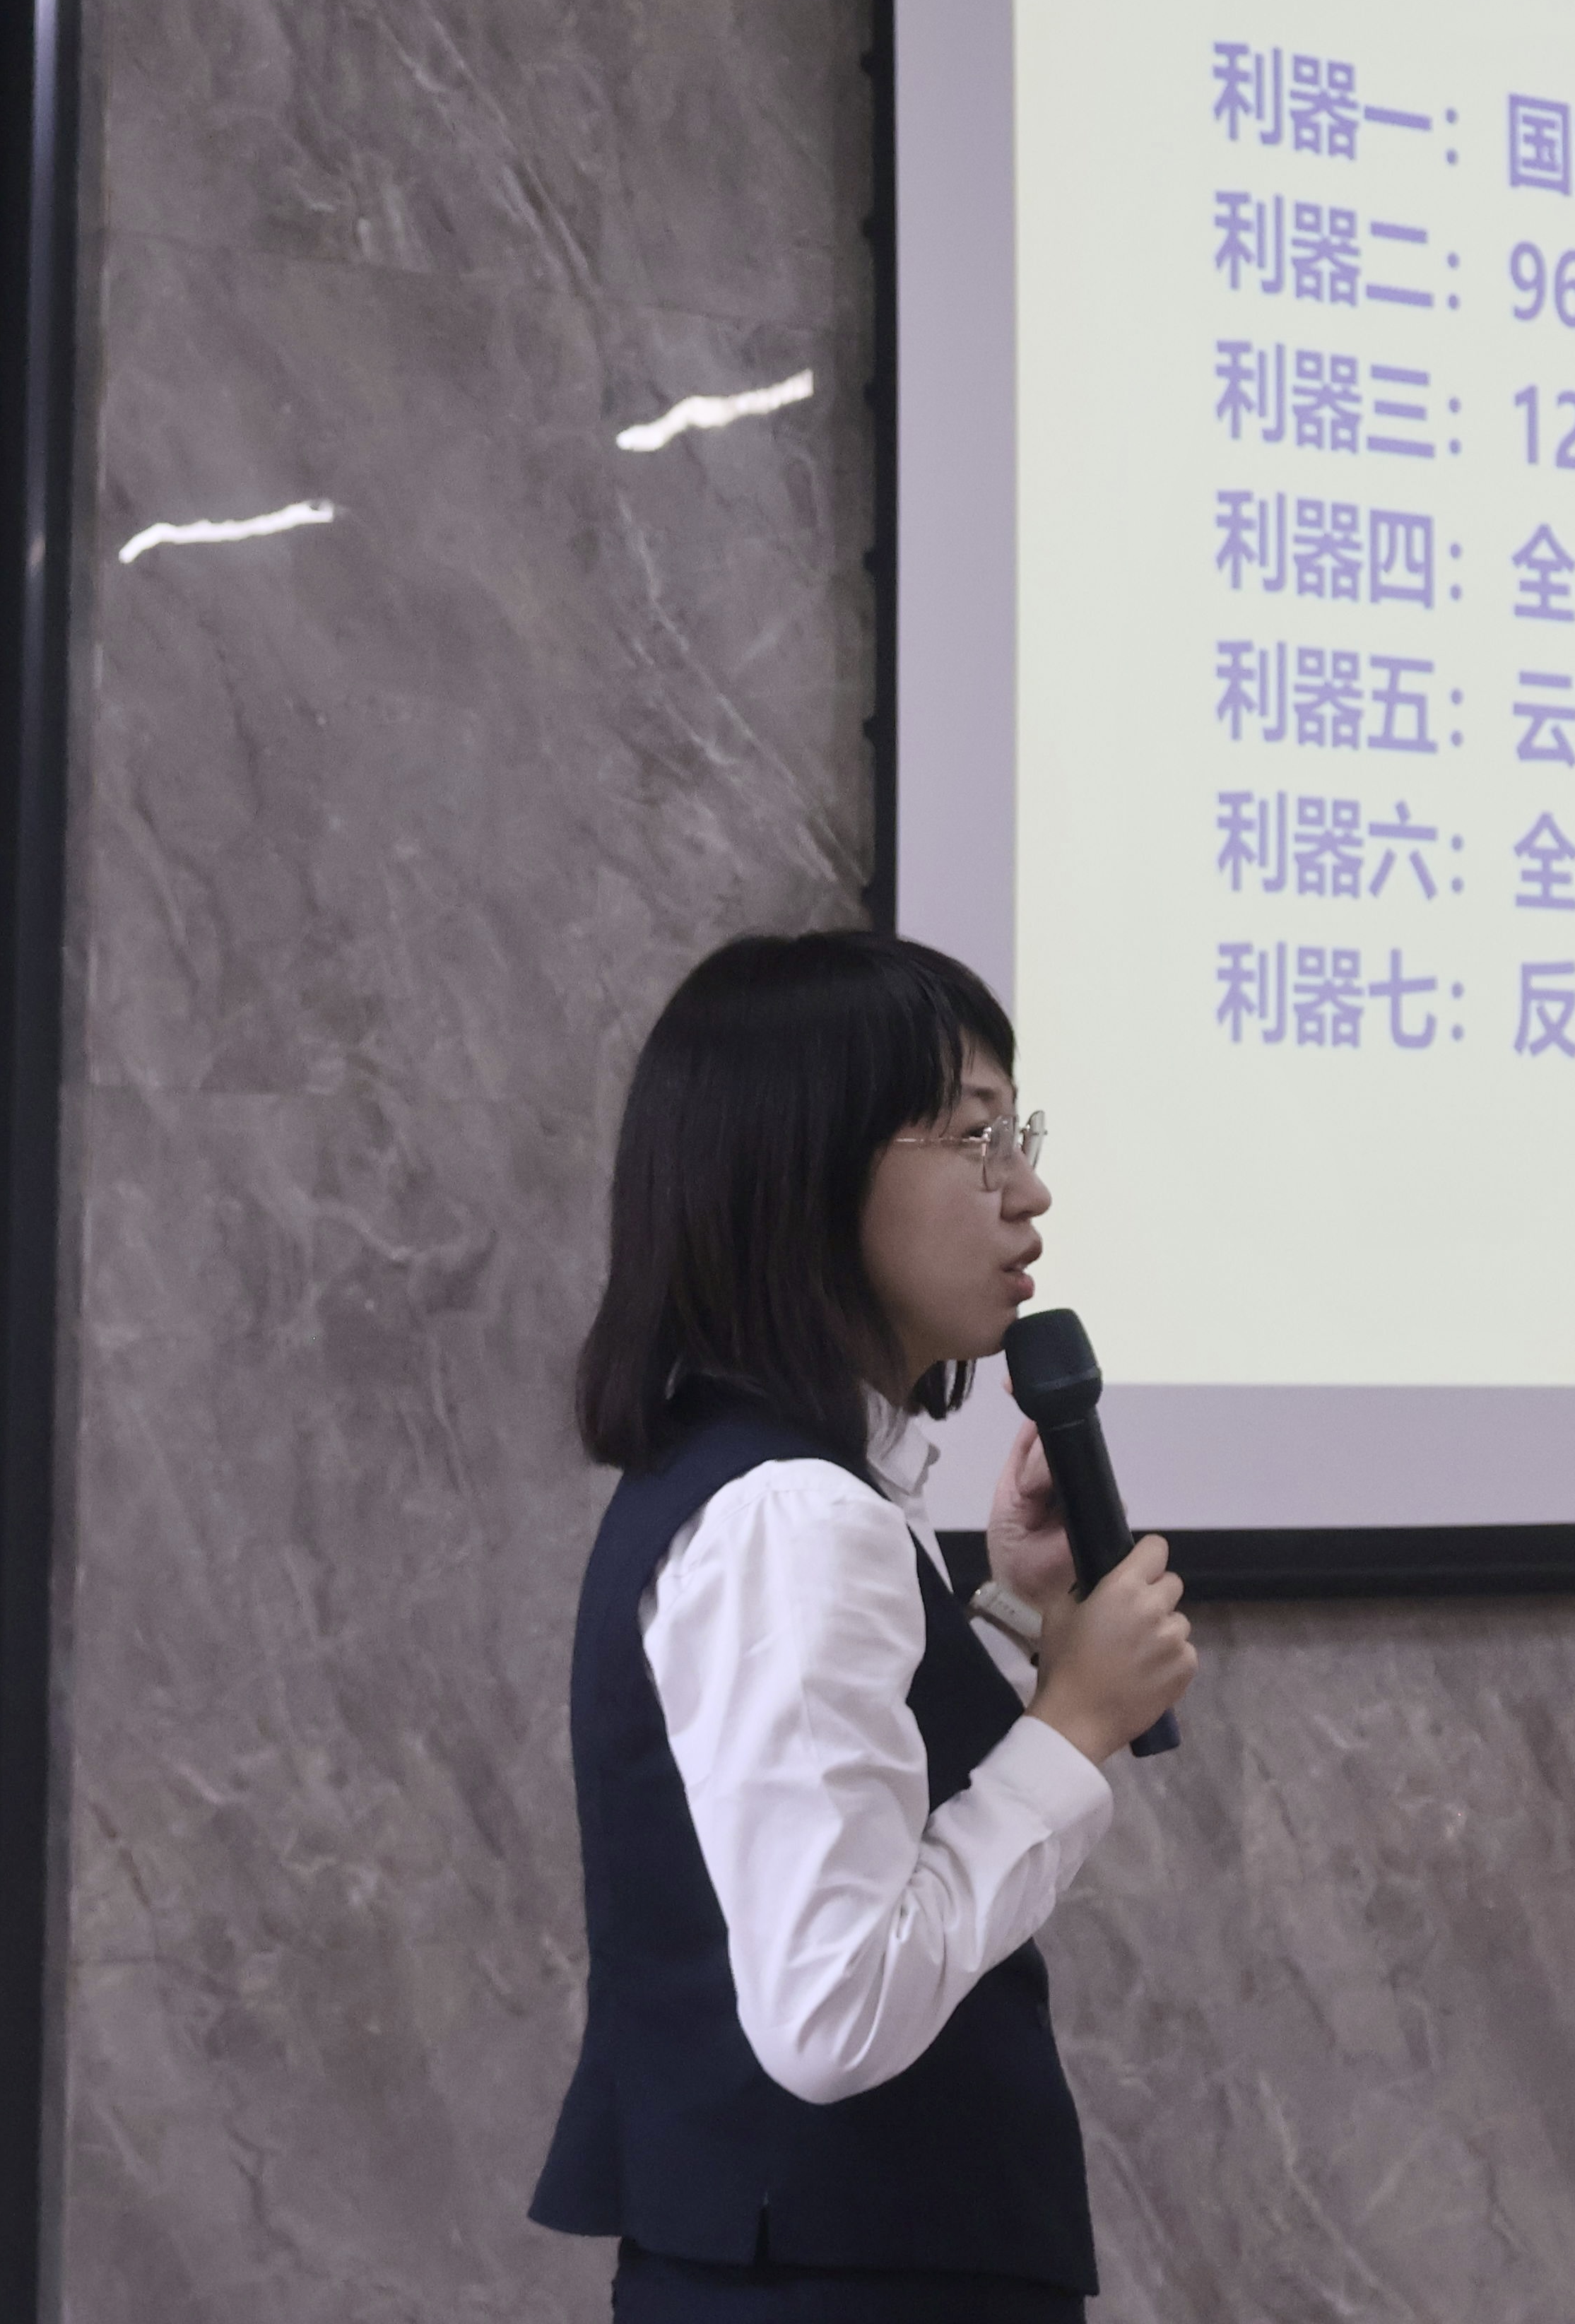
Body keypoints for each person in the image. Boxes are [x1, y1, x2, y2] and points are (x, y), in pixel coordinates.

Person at [530, 931, 1198, 2322]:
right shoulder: (795, 1513)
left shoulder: (764, 1482)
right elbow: (833, 2012)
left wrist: (1009, 1621)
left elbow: (848, 1814)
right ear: (808, 1170)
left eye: (1020, 1135)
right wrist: (1076, 1720)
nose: (1029, 1189)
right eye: (976, 1138)